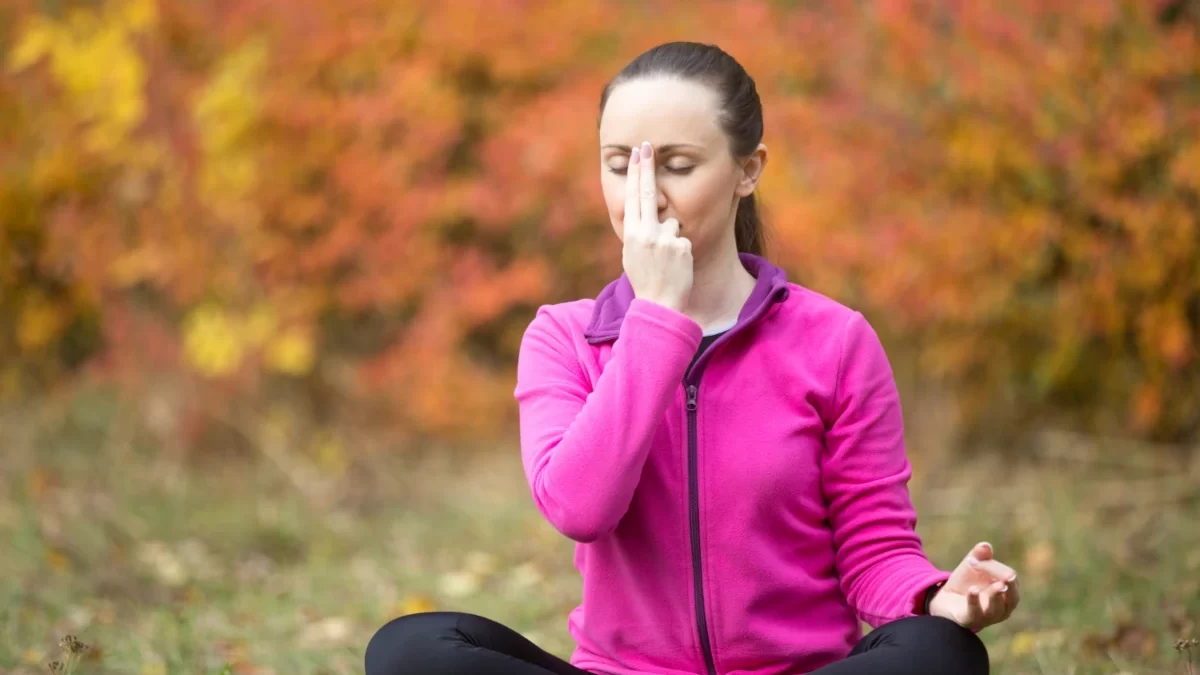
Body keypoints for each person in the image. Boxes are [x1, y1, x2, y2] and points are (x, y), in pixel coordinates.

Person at [365, 41, 1020, 675]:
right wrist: (654, 321)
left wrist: (938, 599)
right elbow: (579, 509)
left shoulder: (836, 340)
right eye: (621, 164)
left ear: (748, 169)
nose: (644, 196)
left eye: (676, 164)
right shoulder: (563, 338)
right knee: (409, 649)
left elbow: (875, 551)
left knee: (940, 652)